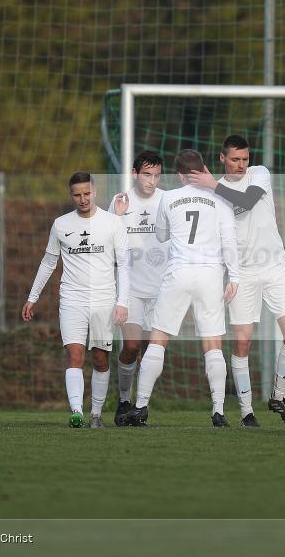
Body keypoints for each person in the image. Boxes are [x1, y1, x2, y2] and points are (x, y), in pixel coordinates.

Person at [187, 134, 285, 427]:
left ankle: (279, 396)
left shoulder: (258, 174)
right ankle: (247, 412)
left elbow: (248, 202)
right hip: (242, 274)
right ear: (222, 158)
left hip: (274, 268)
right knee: (242, 341)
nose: (241, 164)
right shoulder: (211, 194)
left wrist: (213, 185)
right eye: (235, 159)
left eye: (245, 159)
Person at [126, 149, 240, 427]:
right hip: (210, 275)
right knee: (212, 344)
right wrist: (234, 277)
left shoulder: (168, 197)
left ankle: (140, 407)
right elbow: (229, 241)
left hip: (178, 272)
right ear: (203, 170)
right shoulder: (220, 200)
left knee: (158, 340)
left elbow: (161, 235)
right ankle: (218, 411)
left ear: (179, 175)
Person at [22, 172, 130, 429]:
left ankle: (96, 414)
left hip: (104, 299)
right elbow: (49, 262)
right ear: (71, 196)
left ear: (95, 192)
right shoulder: (60, 224)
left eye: (87, 193)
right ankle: (77, 412)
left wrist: (123, 301)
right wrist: (32, 297)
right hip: (72, 298)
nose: (83, 199)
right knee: (75, 354)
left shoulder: (113, 223)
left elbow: (125, 265)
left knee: (101, 359)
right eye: (77, 195)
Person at [108, 151, 169, 426]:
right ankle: (123, 399)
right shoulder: (120, 201)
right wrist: (118, 217)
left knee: (149, 351)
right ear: (135, 174)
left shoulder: (167, 200)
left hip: (161, 290)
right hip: (130, 289)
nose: (151, 181)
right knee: (131, 346)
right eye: (146, 174)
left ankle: (140, 406)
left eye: (156, 175)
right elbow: (110, 240)